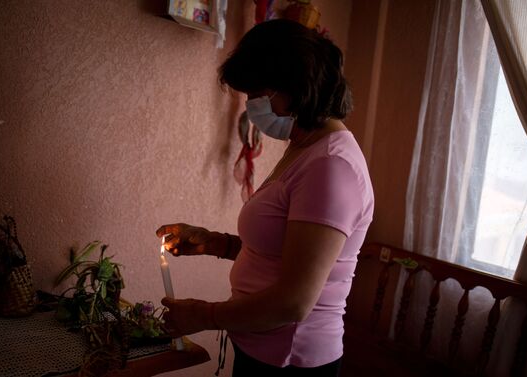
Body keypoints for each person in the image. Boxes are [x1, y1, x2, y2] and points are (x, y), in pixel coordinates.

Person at [156, 19, 374, 377]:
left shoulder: (331, 167)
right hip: (261, 347)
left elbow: (293, 302)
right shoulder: (304, 149)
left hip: (291, 360)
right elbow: (284, 255)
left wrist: (203, 315)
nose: (251, 105)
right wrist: (216, 243)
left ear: (294, 86)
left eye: (256, 95)